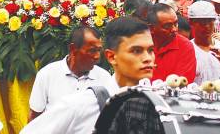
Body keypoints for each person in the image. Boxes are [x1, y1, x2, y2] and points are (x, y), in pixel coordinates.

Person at [21, 17, 155, 134]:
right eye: (136, 51)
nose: (148, 58)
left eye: (151, 50)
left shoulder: (158, 103)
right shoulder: (80, 105)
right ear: (112, 57)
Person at [28, 25, 111, 119]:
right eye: (92, 50)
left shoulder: (104, 78)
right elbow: (34, 117)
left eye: (99, 50)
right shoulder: (47, 74)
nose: (97, 56)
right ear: (73, 49)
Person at [188, 0, 220, 93]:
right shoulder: (187, 50)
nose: (207, 26)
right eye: (202, 23)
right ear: (191, 22)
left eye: (210, 21)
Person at [148, 3, 196, 82]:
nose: (174, 29)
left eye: (176, 23)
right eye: (167, 26)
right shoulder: (141, 45)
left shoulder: (185, 46)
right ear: (151, 28)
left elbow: (181, 83)